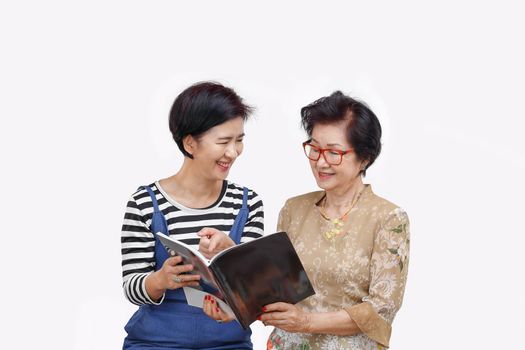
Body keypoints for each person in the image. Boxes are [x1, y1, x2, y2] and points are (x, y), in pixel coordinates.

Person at [260, 91, 410, 349]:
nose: (320, 162)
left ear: (364, 157)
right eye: (315, 149)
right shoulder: (293, 210)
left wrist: (307, 322)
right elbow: (277, 288)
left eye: (334, 152)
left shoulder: (387, 218)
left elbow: (381, 309)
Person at [121, 81, 264, 349]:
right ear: (190, 143)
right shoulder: (144, 203)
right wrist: (159, 280)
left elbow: (255, 293)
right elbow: (131, 286)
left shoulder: (247, 203)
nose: (233, 152)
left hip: (228, 342)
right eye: (223, 141)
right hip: (156, 342)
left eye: (239, 140)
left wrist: (233, 252)